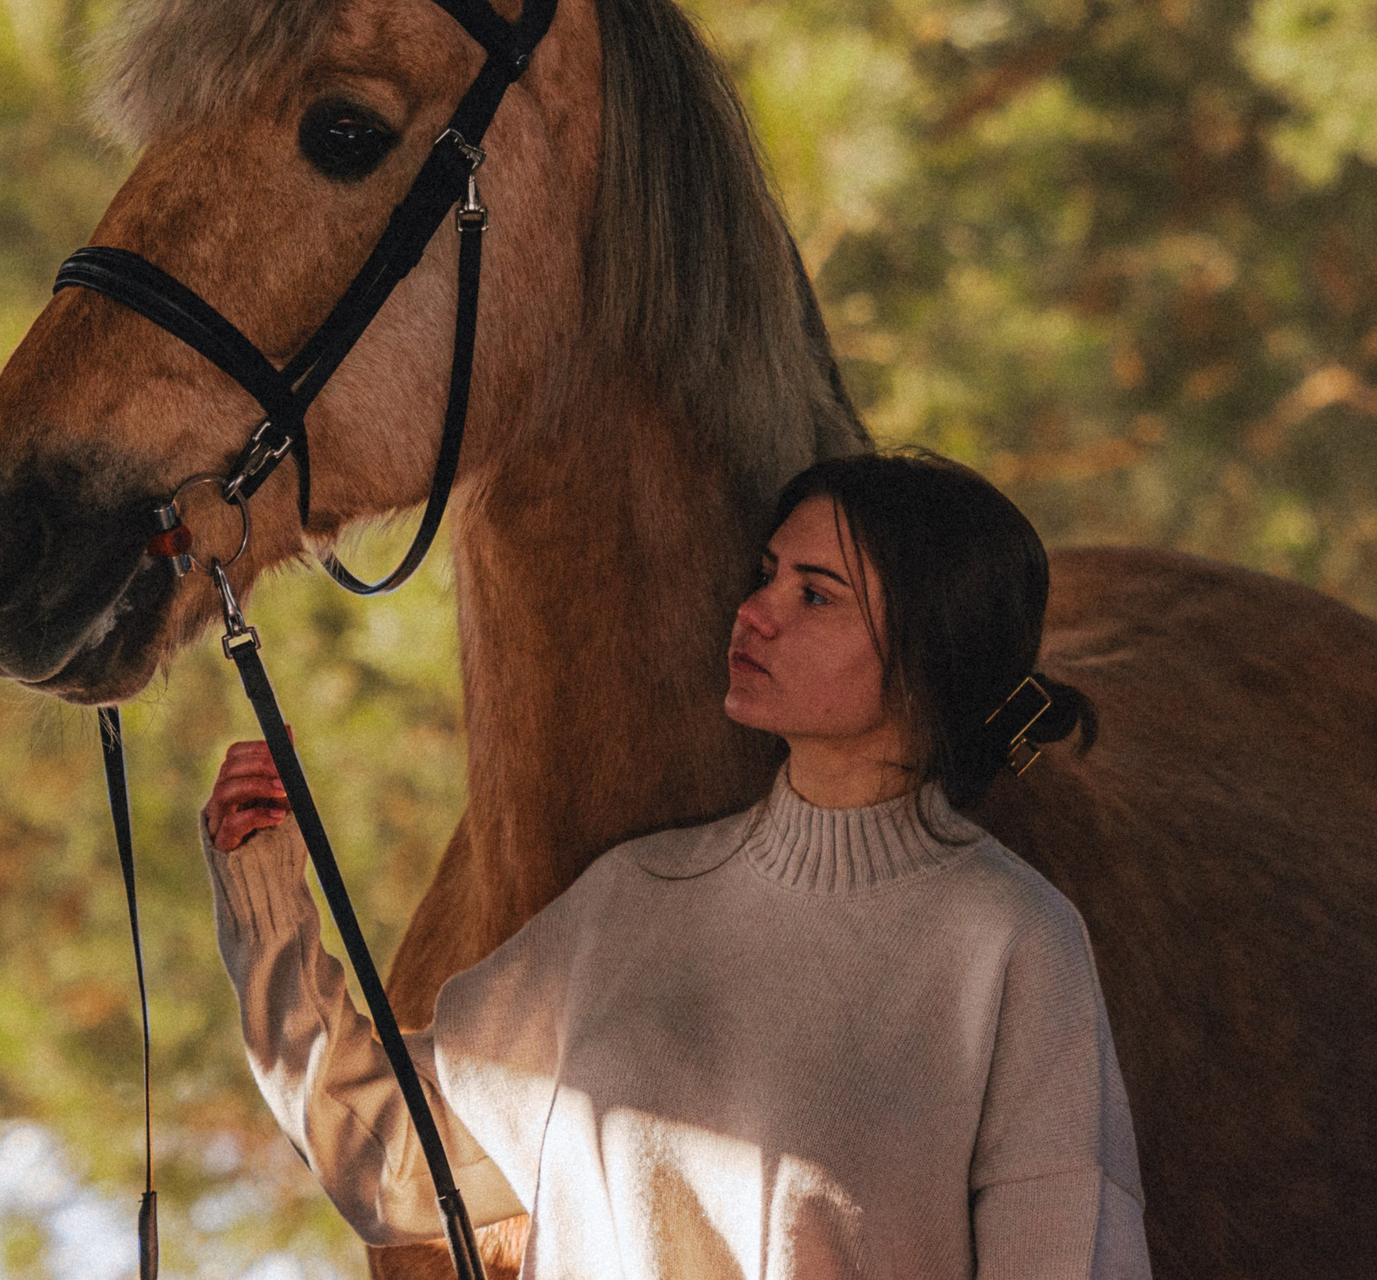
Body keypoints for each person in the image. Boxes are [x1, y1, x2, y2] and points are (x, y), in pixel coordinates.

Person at [202, 451, 1151, 1278]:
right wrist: (268, 902)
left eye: (815, 594)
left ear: (927, 651)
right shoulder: (634, 898)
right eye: (767, 573)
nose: (755, 611)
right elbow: (395, 1161)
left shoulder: (1011, 940)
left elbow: (1068, 1254)